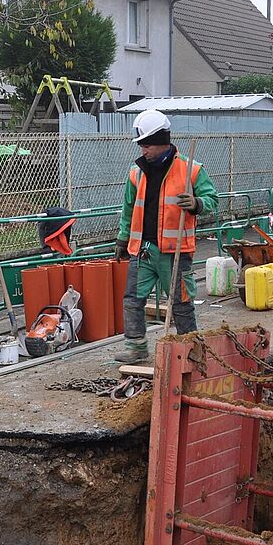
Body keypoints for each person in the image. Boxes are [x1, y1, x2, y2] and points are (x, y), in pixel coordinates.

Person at [114, 109, 218, 364]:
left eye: (146, 145)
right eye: (141, 145)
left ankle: (191, 350)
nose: (143, 150)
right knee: (133, 299)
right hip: (143, 249)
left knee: (181, 303)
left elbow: (213, 200)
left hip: (174, 252)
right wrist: (122, 239)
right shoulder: (136, 172)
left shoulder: (190, 170)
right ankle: (136, 346)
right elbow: (129, 209)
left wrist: (196, 203)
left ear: (161, 141)